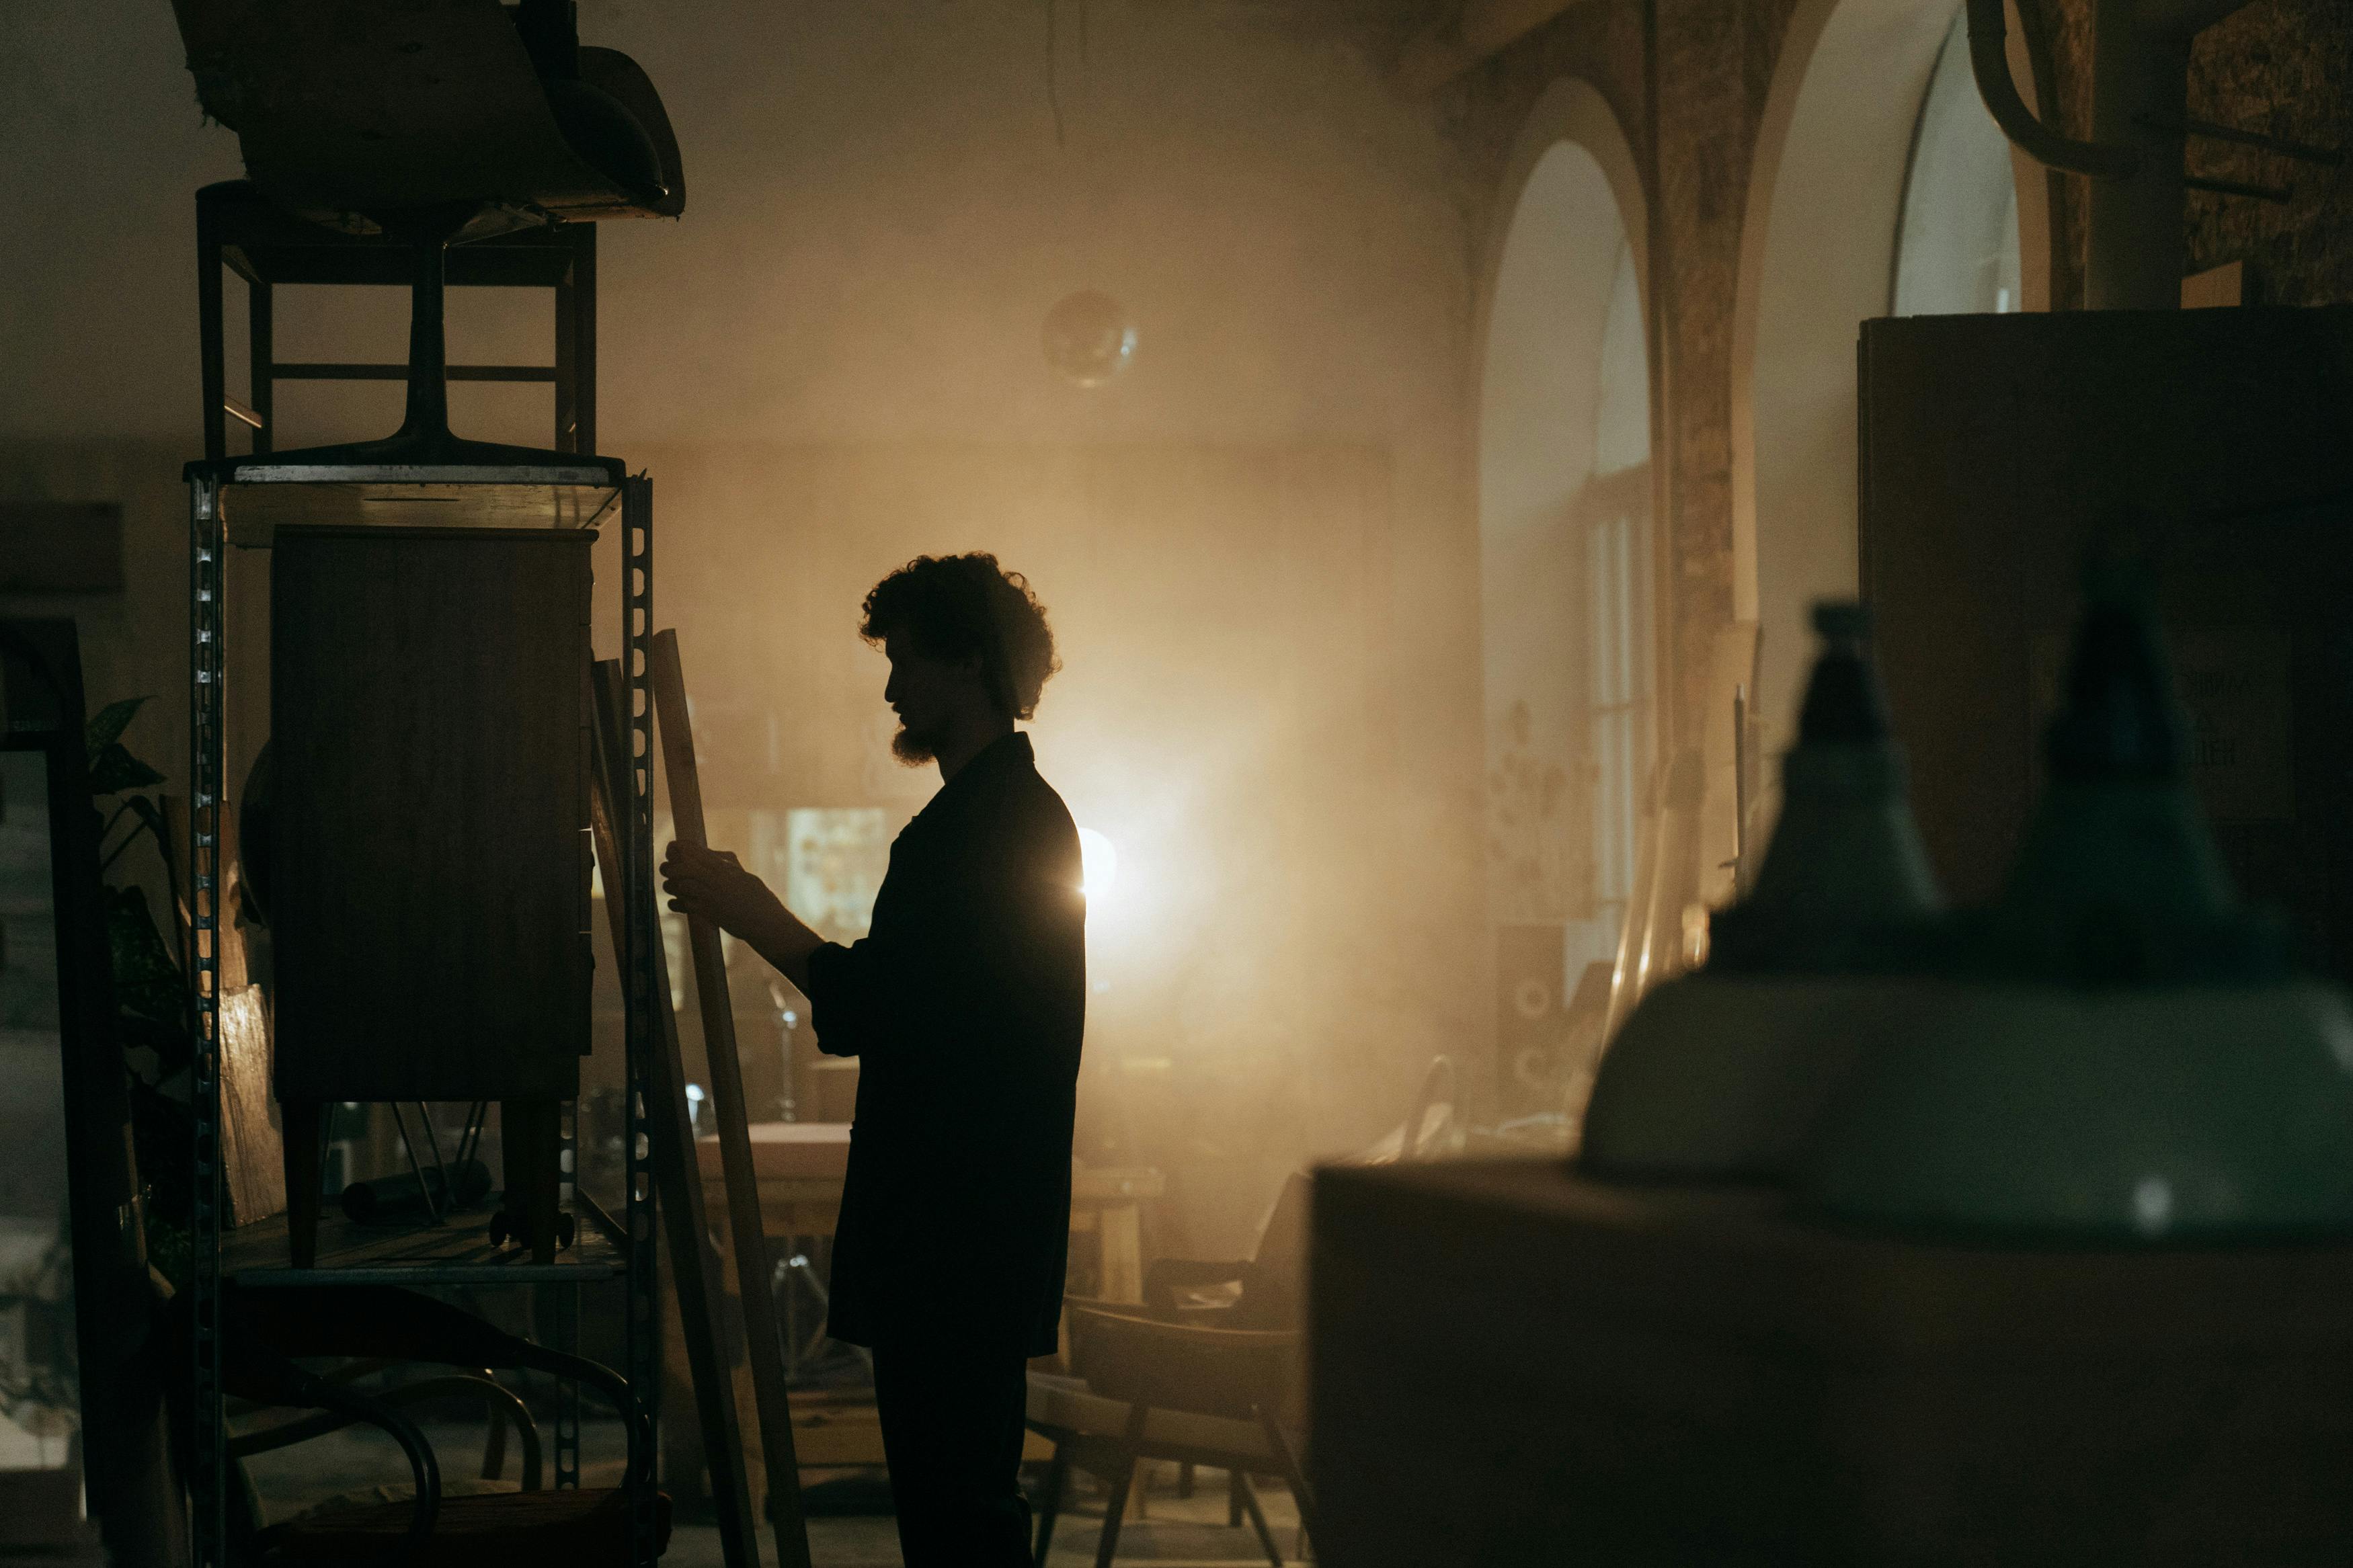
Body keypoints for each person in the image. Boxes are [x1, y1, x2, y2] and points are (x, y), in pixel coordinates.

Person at [662, 552, 1086, 1567]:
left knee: (961, 1519)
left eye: (907, 661)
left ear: (970, 664)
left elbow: (882, 1009)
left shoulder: (989, 829)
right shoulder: (989, 821)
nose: (892, 687)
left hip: (957, 1232)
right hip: (964, 1231)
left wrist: (753, 914)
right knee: (956, 1511)